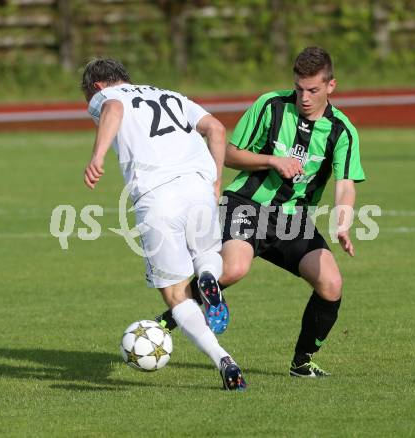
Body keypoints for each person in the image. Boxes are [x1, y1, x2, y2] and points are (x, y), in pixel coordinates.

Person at [156, 46, 365, 377]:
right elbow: (229, 154)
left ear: (330, 86)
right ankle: (167, 320)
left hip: (293, 221)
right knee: (234, 268)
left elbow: (346, 182)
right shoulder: (271, 106)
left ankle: (302, 362)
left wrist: (344, 220)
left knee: (331, 284)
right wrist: (271, 160)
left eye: (313, 90)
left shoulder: (342, 131)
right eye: (299, 88)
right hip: (247, 205)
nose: (305, 97)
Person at [81, 58, 246, 390]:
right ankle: (209, 277)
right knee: (206, 254)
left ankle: (224, 360)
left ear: (96, 86)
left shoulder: (108, 96)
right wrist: (215, 179)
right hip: (198, 187)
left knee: (174, 294)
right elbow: (215, 128)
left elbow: (113, 106)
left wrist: (98, 155)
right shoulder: (171, 94)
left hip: (157, 196)